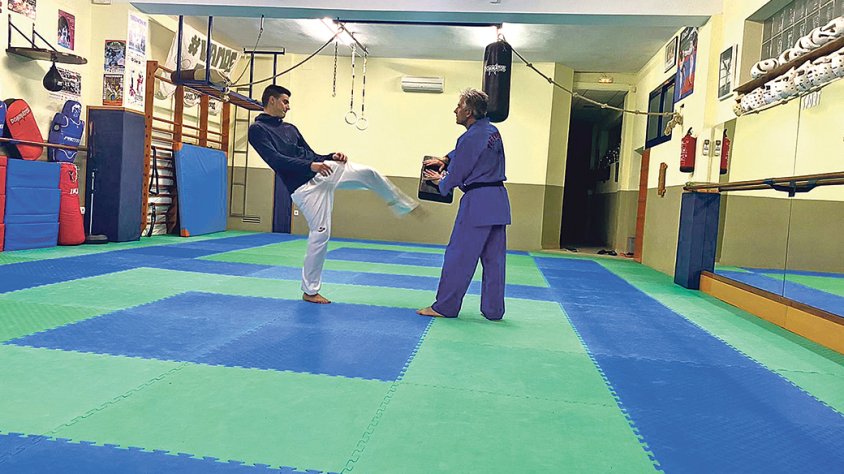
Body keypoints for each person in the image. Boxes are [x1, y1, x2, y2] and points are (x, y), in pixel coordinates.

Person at [249, 84, 418, 304]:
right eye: (285, 102)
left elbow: (312, 154)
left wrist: (330, 156)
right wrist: (310, 165)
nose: (288, 107)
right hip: (304, 188)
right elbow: (275, 160)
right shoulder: (257, 130)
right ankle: (310, 291)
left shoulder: (291, 128)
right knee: (320, 234)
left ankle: (401, 204)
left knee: (369, 173)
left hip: (323, 171)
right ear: (271, 100)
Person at [417, 88, 511, 320]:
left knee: (459, 256)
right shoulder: (492, 130)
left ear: (468, 112)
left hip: (478, 204)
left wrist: (440, 182)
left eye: (459, 106)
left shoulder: (469, 137)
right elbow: (469, 151)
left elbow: (458, 174)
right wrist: (446, 158)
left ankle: (445, 307)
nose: (455, 110)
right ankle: (493, 311)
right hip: (498, 201)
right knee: (494, 261)